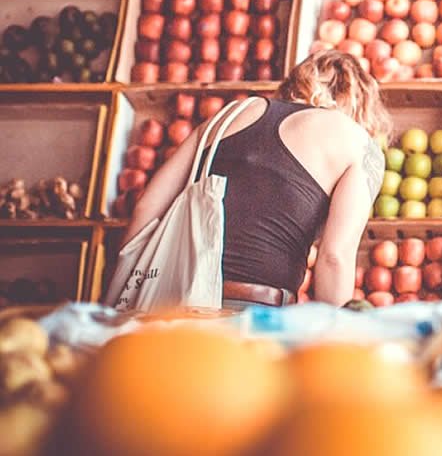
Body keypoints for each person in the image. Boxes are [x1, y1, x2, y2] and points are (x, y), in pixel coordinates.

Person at [122, 50, 389, 308]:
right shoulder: (357, 142)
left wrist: (126, 294)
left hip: (172, 300)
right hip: (253, 313)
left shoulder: (227, 116)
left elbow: (146, 209)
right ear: (361, 105)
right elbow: (334, 257)